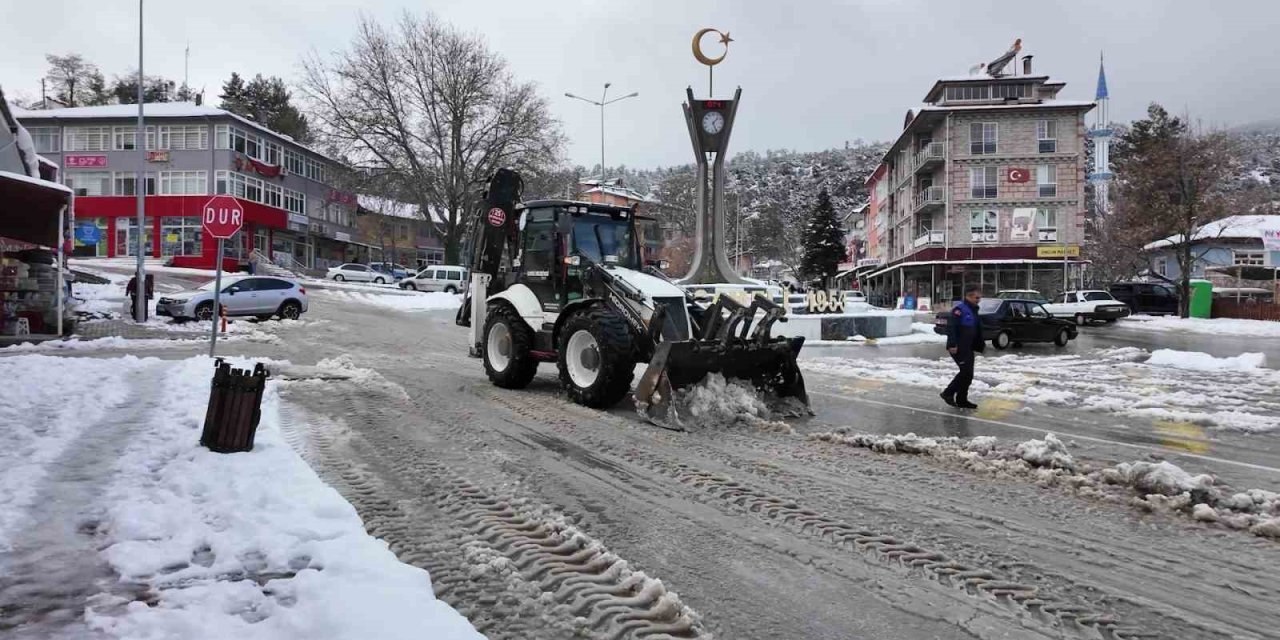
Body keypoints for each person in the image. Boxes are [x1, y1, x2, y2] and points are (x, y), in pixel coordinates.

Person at [941, 286, 985, 409]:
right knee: (965, 372)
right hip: (959, 347)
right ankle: (948, 393)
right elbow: (951, 328)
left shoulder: (973, 310)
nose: (978, 300)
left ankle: (962, 399)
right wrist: (952, 344)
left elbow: (976, 329)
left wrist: (979, 344)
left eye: (979, 297)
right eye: (976, 297)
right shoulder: (959, 310)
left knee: (968, 374)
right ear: (968, 296)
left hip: (968, 347)